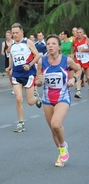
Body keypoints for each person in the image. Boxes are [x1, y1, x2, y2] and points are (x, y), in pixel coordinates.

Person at [36, 34, 80, 167]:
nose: (50, 46)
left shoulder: (66, 60)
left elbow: (78, 70)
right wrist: (39, 81)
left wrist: (74, 79)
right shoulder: (41, 61)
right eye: (48, 44)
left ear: (59, 47)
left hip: (62, 97)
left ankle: (63, 146)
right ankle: (61, 153)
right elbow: (38, 81)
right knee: (53, 130)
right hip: (47, 99)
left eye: (53, 44)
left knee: (56, 124)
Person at [6, 23, 42, 133]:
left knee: (30, 102)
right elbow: (11, 56)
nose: (15, 35)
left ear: (22, 32)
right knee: (18, 99)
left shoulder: (28, 42)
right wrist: (10, 67)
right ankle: (21, 123)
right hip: (17, 74)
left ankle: (37, 99)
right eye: (13, 33)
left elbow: (37, 55)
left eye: (17, 33)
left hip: (28, 74)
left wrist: (30, 65)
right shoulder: (12, 45)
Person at [71, 27, 88, 98]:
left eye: (80, 32)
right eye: (77, 32)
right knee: (78, 73)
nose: (79, 34)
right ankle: (78, 91)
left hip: (86, 60)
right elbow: (72, 47)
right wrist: (73, 53)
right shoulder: (75, 40)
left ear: (83, 33)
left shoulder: (86, 40)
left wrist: (84, 49)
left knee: (88, 77)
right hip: (78, 59)